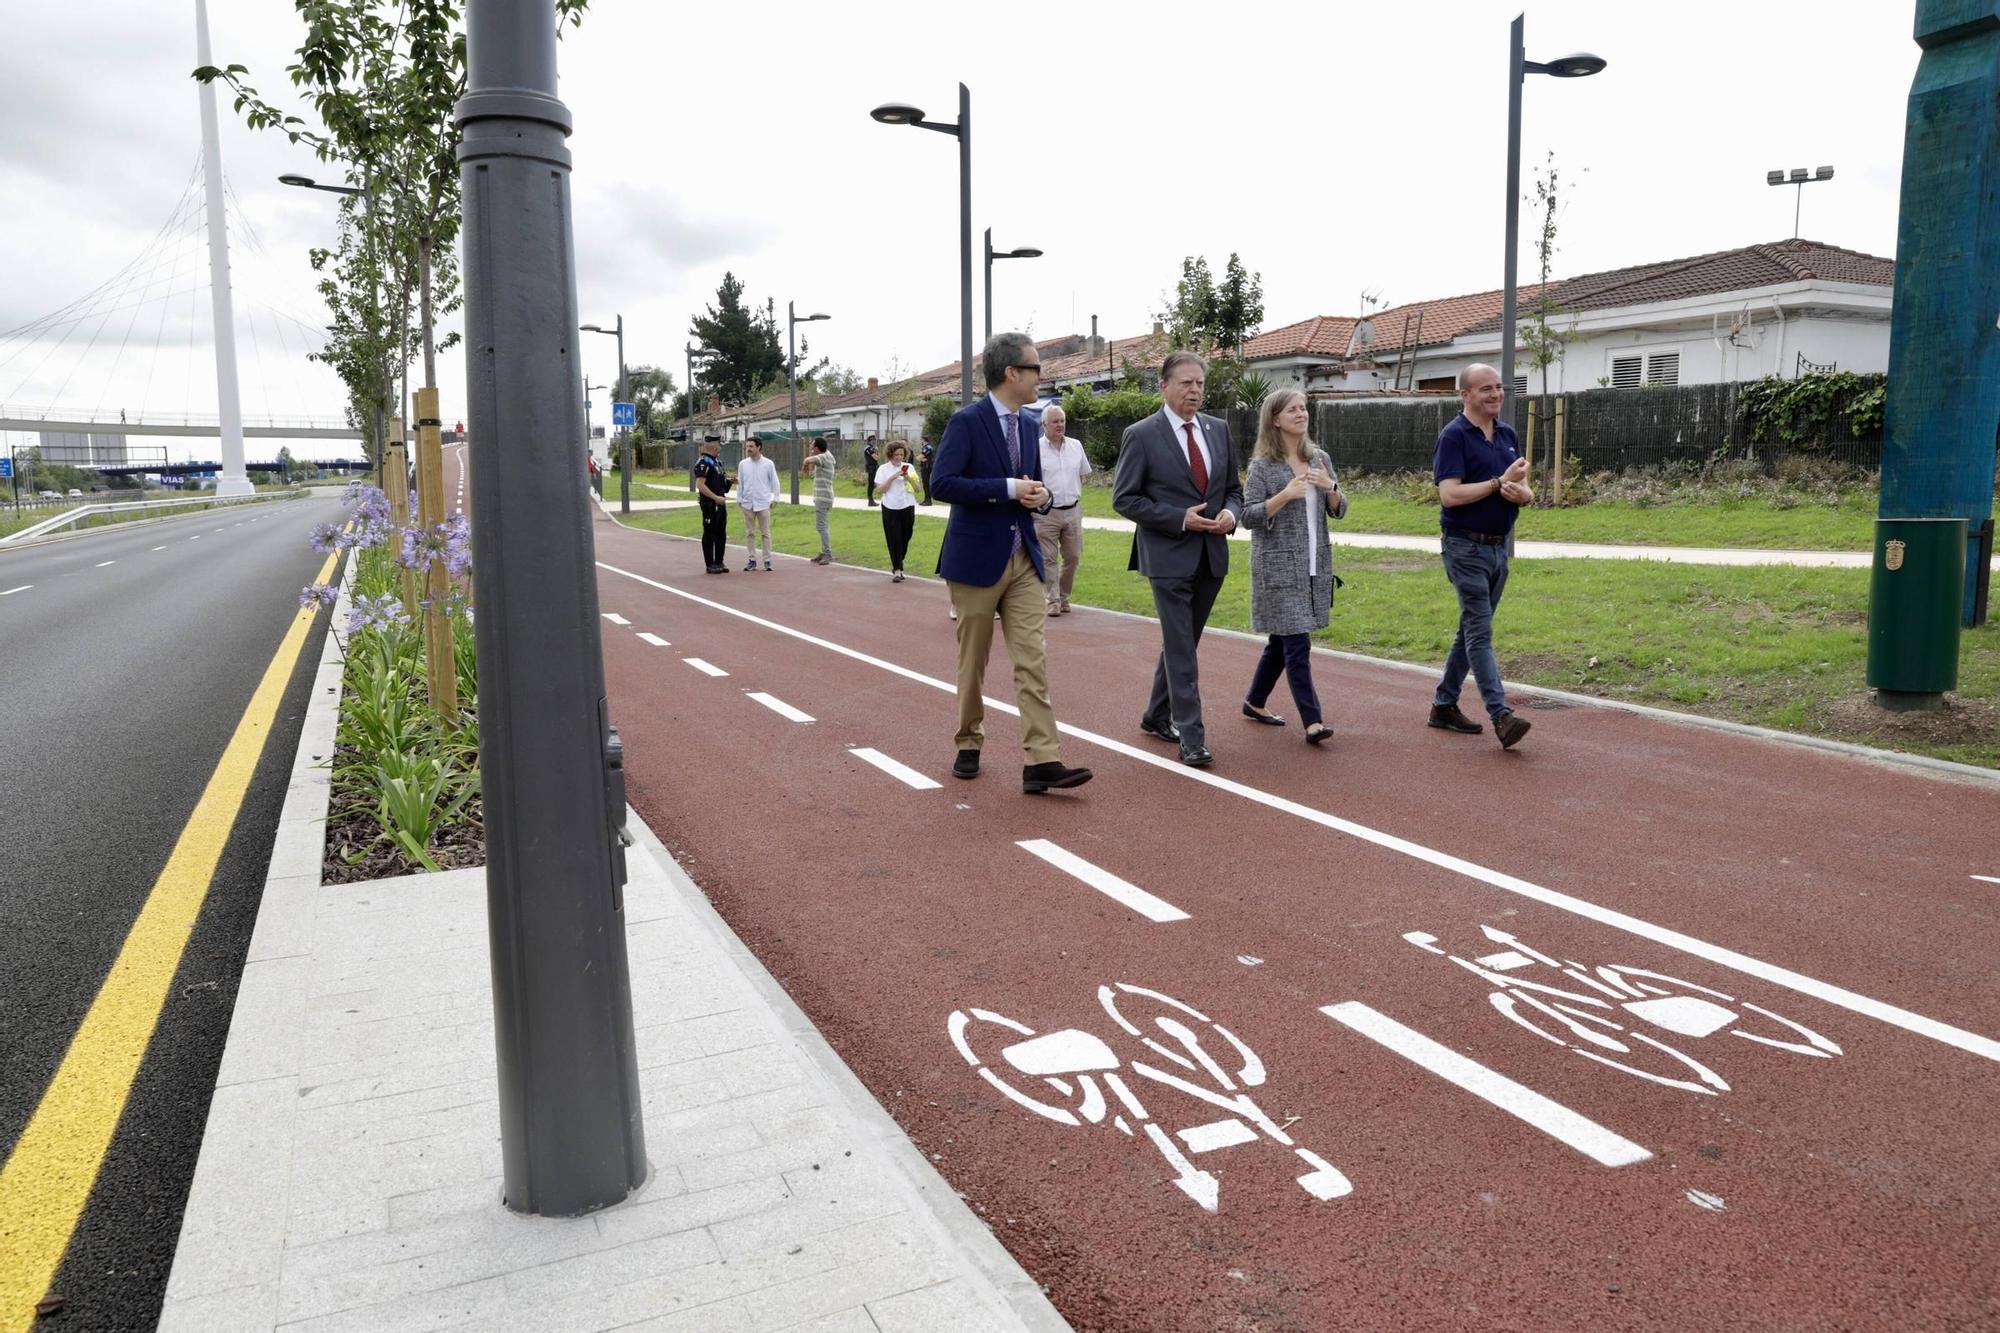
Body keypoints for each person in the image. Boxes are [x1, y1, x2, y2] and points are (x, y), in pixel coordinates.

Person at [932, 331, 1092, 796]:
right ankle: (968, 741)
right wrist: (1006, 488)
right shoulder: (966, 422)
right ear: (1011, 373)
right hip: (976, 559)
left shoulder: (1030, 424)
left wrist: (1038, 496)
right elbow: (942, 482)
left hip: (1024, 557)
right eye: (1036, 367)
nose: (1043, 375)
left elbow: (1030, 484)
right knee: (973, 661)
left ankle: (1042, 760)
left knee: (1033, 661)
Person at [1111, 351, 1244, 768]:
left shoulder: (1219, 430)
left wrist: (1231, 514)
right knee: (1183, 647)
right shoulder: (1141, 434)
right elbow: (1124, 498)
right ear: (1164, 386)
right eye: (1186, 383)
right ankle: (1192, 736)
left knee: (1182, 642)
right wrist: (1178, 519)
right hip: (1167, 556)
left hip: (1211, 555)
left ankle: (1155, 714)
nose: (1195, 390)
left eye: (1200, 383)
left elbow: (1235, 490)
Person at [1430, 363, 1534, 748]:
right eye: (1485, 389)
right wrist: (1498, 483)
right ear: (1466, 395)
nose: (1495, 394)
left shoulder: (1507, 434)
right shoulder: (1453, 436)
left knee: (1470, 629)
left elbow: (1524, 489)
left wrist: (1522, 494)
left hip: (1498, 548)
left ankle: (1443, 705)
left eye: (1498, 387)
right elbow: (1449, 495)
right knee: (1480, 631)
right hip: (1464, 546)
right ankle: (1501, 715)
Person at [1240, 389, 1345, 745]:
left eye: (1303, 408)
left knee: (1280, 641)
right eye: (1292, 409)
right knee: (1298, 642)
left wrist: (1331, 487)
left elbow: (1339, 508)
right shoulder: (1262, 466)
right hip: (1280, 568)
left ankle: (1255, 701)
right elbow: (1248, 516)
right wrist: (1284, 495)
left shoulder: (1320, 459)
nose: (1301, 414)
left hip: (1316, 563)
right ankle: (1313, 721)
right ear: (1275, 419)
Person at [1034, 404, 1091, 617]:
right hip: (1045, 513)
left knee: (1073, 556)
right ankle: (1053, 600)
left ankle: (1064, 595)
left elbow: (1083, 473)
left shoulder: (1076, 446)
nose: (1060, 425)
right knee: (1048, 558)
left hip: (1073, 511)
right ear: (1044, 425)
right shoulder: (1035, 449)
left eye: (1062, 421)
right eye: (1055, 421)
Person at [874, 442, 921, 581]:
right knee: (894, 538)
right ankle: (897, 569)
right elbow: (880, 490)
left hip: (907, 505)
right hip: (890, 507)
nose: (899, 458)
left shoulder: (909, 467)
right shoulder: (883, 469)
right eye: (896, 455)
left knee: (906, 536)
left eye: (901, 454)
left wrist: (908, 478)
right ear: (890, 455)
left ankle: (899, 561)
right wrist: (892, 477)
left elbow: (918, 489)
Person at [735, 437, 780, 571]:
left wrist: (775, 498)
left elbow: (775, 481)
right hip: (747, 503)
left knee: (765, 533)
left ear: (758, 447)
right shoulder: (743, 464)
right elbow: (740, 482)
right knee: (750, 532)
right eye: (747, 446)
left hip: (763, 502)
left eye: (751, 446)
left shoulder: (768, 464)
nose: (748, 449)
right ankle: (751, 559)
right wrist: (739, 499)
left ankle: (767, 560)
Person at [692, 435, 732, 573]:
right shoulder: (703, 463)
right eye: (720, 445)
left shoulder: (717, 462)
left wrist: (731, 481)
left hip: (720, 502)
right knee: (710, 533)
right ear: (715, 447)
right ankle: (710, 564)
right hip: (710, 504)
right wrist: (715, 497)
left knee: (721, 533)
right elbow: (700, 485)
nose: (720, 448)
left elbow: (720, 483)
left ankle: (719, 562)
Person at [802, 437, 838, 564]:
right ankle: (824, 552)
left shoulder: (824, 457)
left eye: (813, 446)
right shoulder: (826, 456)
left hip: (823, 498)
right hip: (823, 497)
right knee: (822, 526)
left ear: (817, 447)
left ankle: (827, 554)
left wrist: (805, 463)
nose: (811, 448)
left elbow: (808, 460)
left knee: (821, 526)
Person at [916, 437, 936, 505]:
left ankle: (928, 501)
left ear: (923, 440)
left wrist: (919, 458)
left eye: (921, 440)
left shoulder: (928, 447)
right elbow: (921, 458)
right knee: (924, 484)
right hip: (924, 466)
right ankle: (926, 499)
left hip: (927, 467)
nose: (920, 441)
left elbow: (920, 457)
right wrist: (921, 459)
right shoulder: (924, 447)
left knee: (926, 483)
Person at [862, 436, 881, 506]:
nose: (874, 442)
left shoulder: (873, 448)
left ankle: (871, 499)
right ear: (870, 441)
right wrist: (877, 451)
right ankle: (870, 500)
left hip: (874, 466)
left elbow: (878, 457)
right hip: (871, 467)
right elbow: (876, 457)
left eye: (875, 440)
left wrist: (877, 451)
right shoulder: (868, 448)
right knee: (871, 484)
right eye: (873, 440)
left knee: (874, 483)